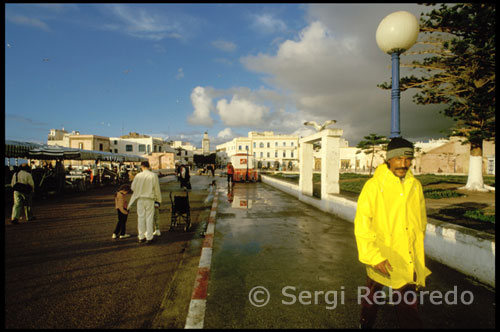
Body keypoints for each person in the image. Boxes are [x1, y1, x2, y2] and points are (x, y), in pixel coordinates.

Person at [354, 137, 431, 329]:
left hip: (407, 258)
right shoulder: (373, 186)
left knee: (409, 309)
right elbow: (362, 224)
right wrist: (374, 256)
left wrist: (416, 248)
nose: (403, 164)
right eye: (398, 159)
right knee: (372, 300)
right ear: (389, 159)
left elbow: (420, 221)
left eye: (407, 159)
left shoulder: (415, 186)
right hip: (382, 257)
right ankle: (365, 324)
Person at [128, 161, 162, 244]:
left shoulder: (138, 176)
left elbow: (132, 188)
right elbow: (157, 189)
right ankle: (149, 237)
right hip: (150, 199)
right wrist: (158, 200)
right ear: (149, 166)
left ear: (141, 167)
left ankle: (141, 237)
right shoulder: (153, 176)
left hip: (140, 199)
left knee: (141, 218)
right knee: (149, 218)